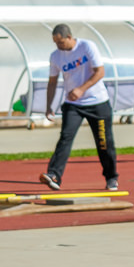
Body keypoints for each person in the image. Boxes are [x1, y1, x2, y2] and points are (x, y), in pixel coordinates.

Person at [40, 23, 118, 192]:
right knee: (65, 139)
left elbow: (100, 72)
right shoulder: (55, 57)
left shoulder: (87, 47)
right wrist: (48, 106)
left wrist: (81, 89)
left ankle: (111, 177)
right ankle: (54, 175)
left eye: (60, 42)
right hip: (73, 105)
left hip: (97, 103)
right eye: (55, 43)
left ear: (69, 37)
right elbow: (52, 82)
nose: (58, 46)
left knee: (104, 142)